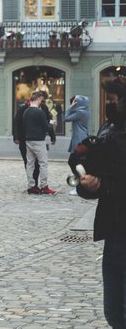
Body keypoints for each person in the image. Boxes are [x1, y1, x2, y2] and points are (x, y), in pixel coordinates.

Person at [76, 77, 126, 328]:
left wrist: (103, 184)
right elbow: (99, 169)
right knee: (114, 312)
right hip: (114, 228)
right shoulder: (110, 128)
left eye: (114, 101)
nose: (109, 105)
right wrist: (88, 183)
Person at [13, 91, 56, 187]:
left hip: (38, 138)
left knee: (36, 163)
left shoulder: (44, 108)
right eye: (41, 100)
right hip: (25, 139)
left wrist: (52, 136)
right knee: (30, 163)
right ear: (38, 99)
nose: (42, 102)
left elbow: (47, 121)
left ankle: (33, 184)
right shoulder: (24, 108)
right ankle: (34, 184)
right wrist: (16, 137)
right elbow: (17, 122)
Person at [65, 95, 90, 195]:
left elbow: (65, 118)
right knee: (77, 162)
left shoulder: (80, 112)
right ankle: (80, 184)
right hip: (81, 138)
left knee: (74, 162)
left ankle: (79, 185)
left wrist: (70, 107)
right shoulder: (85, 111)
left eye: (75, 102)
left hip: (79, 140)